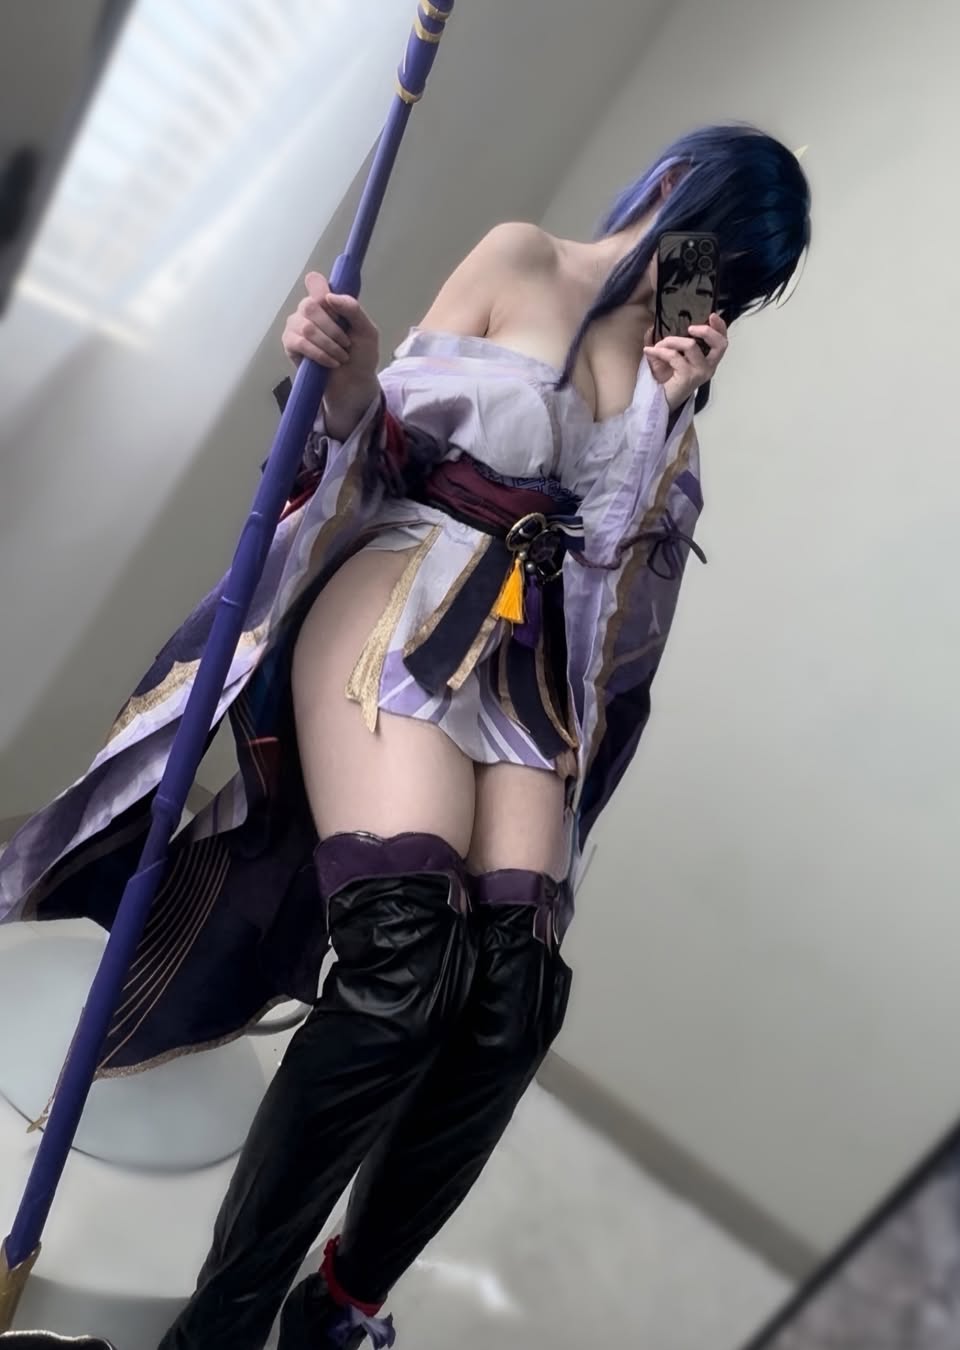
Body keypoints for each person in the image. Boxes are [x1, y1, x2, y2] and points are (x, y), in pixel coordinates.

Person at [0, 125, 810, 1348]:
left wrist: (659, 416)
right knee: (404, 973)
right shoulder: (522, 260)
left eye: (738, 283)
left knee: (514, 1001)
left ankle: (339, 1307)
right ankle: (223, 1328)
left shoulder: (663, 378)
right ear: (666, 189)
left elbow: (608, 590)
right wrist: (346, 376)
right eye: (711, 248)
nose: (706, 286)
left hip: (524, 649)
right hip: (405, 587)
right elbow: (387, 449)